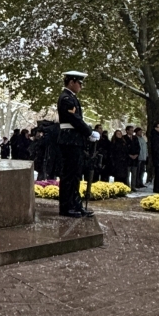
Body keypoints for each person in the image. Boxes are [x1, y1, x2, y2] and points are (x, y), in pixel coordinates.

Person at [56, 71, 98, 218]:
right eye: (79, 83)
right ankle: (67, 207)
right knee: (69, 175)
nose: (81, 86)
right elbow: (74, 119)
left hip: (74, 141)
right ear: (72, 82)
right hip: (70, 141)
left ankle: (75, 205)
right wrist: (89, 132)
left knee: (75, 175)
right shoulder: (66, 98)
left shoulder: (71, 98)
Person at [124, 126, 140, 190]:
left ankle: (133, 186)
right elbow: (124, 148)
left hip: (135, 158)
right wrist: (129, 155)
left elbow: (138, 147)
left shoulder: (135, 138)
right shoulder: (124, 138)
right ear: (127, 131)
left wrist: (136, 154)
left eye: (132, 130)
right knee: (127, 174)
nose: (132, 131)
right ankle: (127, 186)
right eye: (130, 130)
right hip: (128, 158)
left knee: (134, 174)